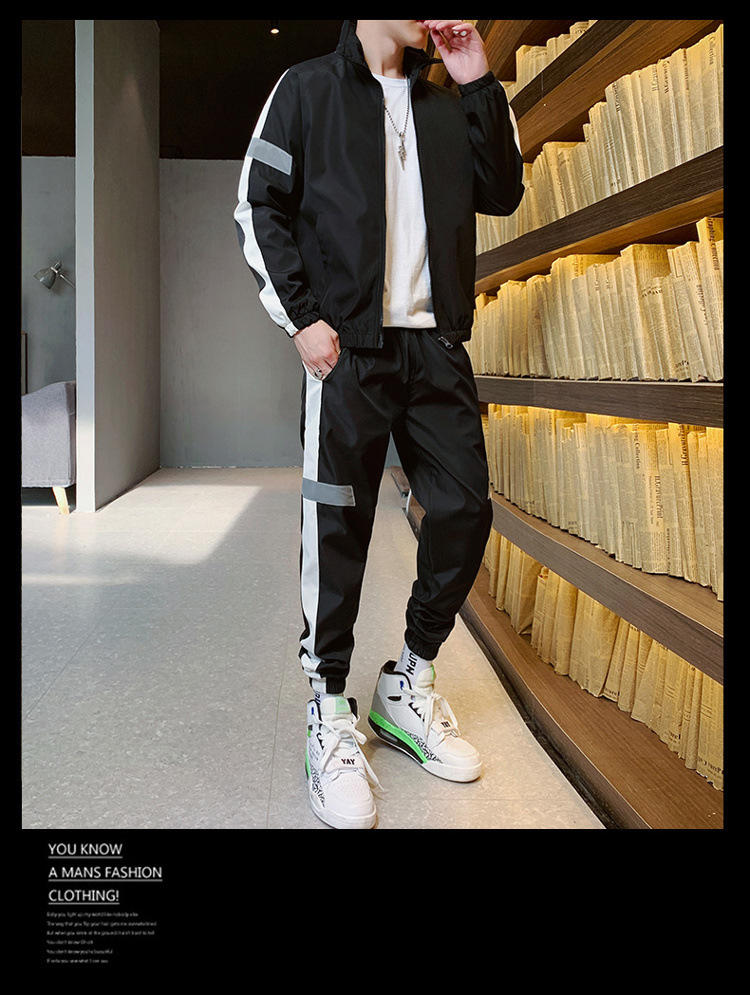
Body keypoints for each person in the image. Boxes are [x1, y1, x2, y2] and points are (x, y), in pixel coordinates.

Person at [234, 19, 524, 829]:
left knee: (464, 507)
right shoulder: (307, 90)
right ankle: (330, 707)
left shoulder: (445, 104)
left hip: (435, 346)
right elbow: (257, 204)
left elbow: (502, 190)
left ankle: (408, 684)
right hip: (348, 351)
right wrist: (302, 318)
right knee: (338, 526)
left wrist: (476, 80)